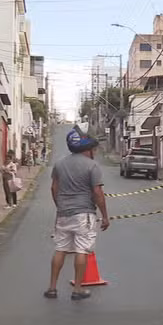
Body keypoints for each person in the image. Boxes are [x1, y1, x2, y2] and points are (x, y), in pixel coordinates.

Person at [45, 127, 110, 301]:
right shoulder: (92, 166)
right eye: (93, 149)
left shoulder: (59, 164)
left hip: (63, 214)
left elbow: (54, 188)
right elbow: (97, 193)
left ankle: (52, 288)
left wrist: (61, 206)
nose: (94, 152)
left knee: (60, 249)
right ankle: (78, 290)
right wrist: (104, 216)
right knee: (82, 250)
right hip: (84, 214)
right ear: (87, 149)